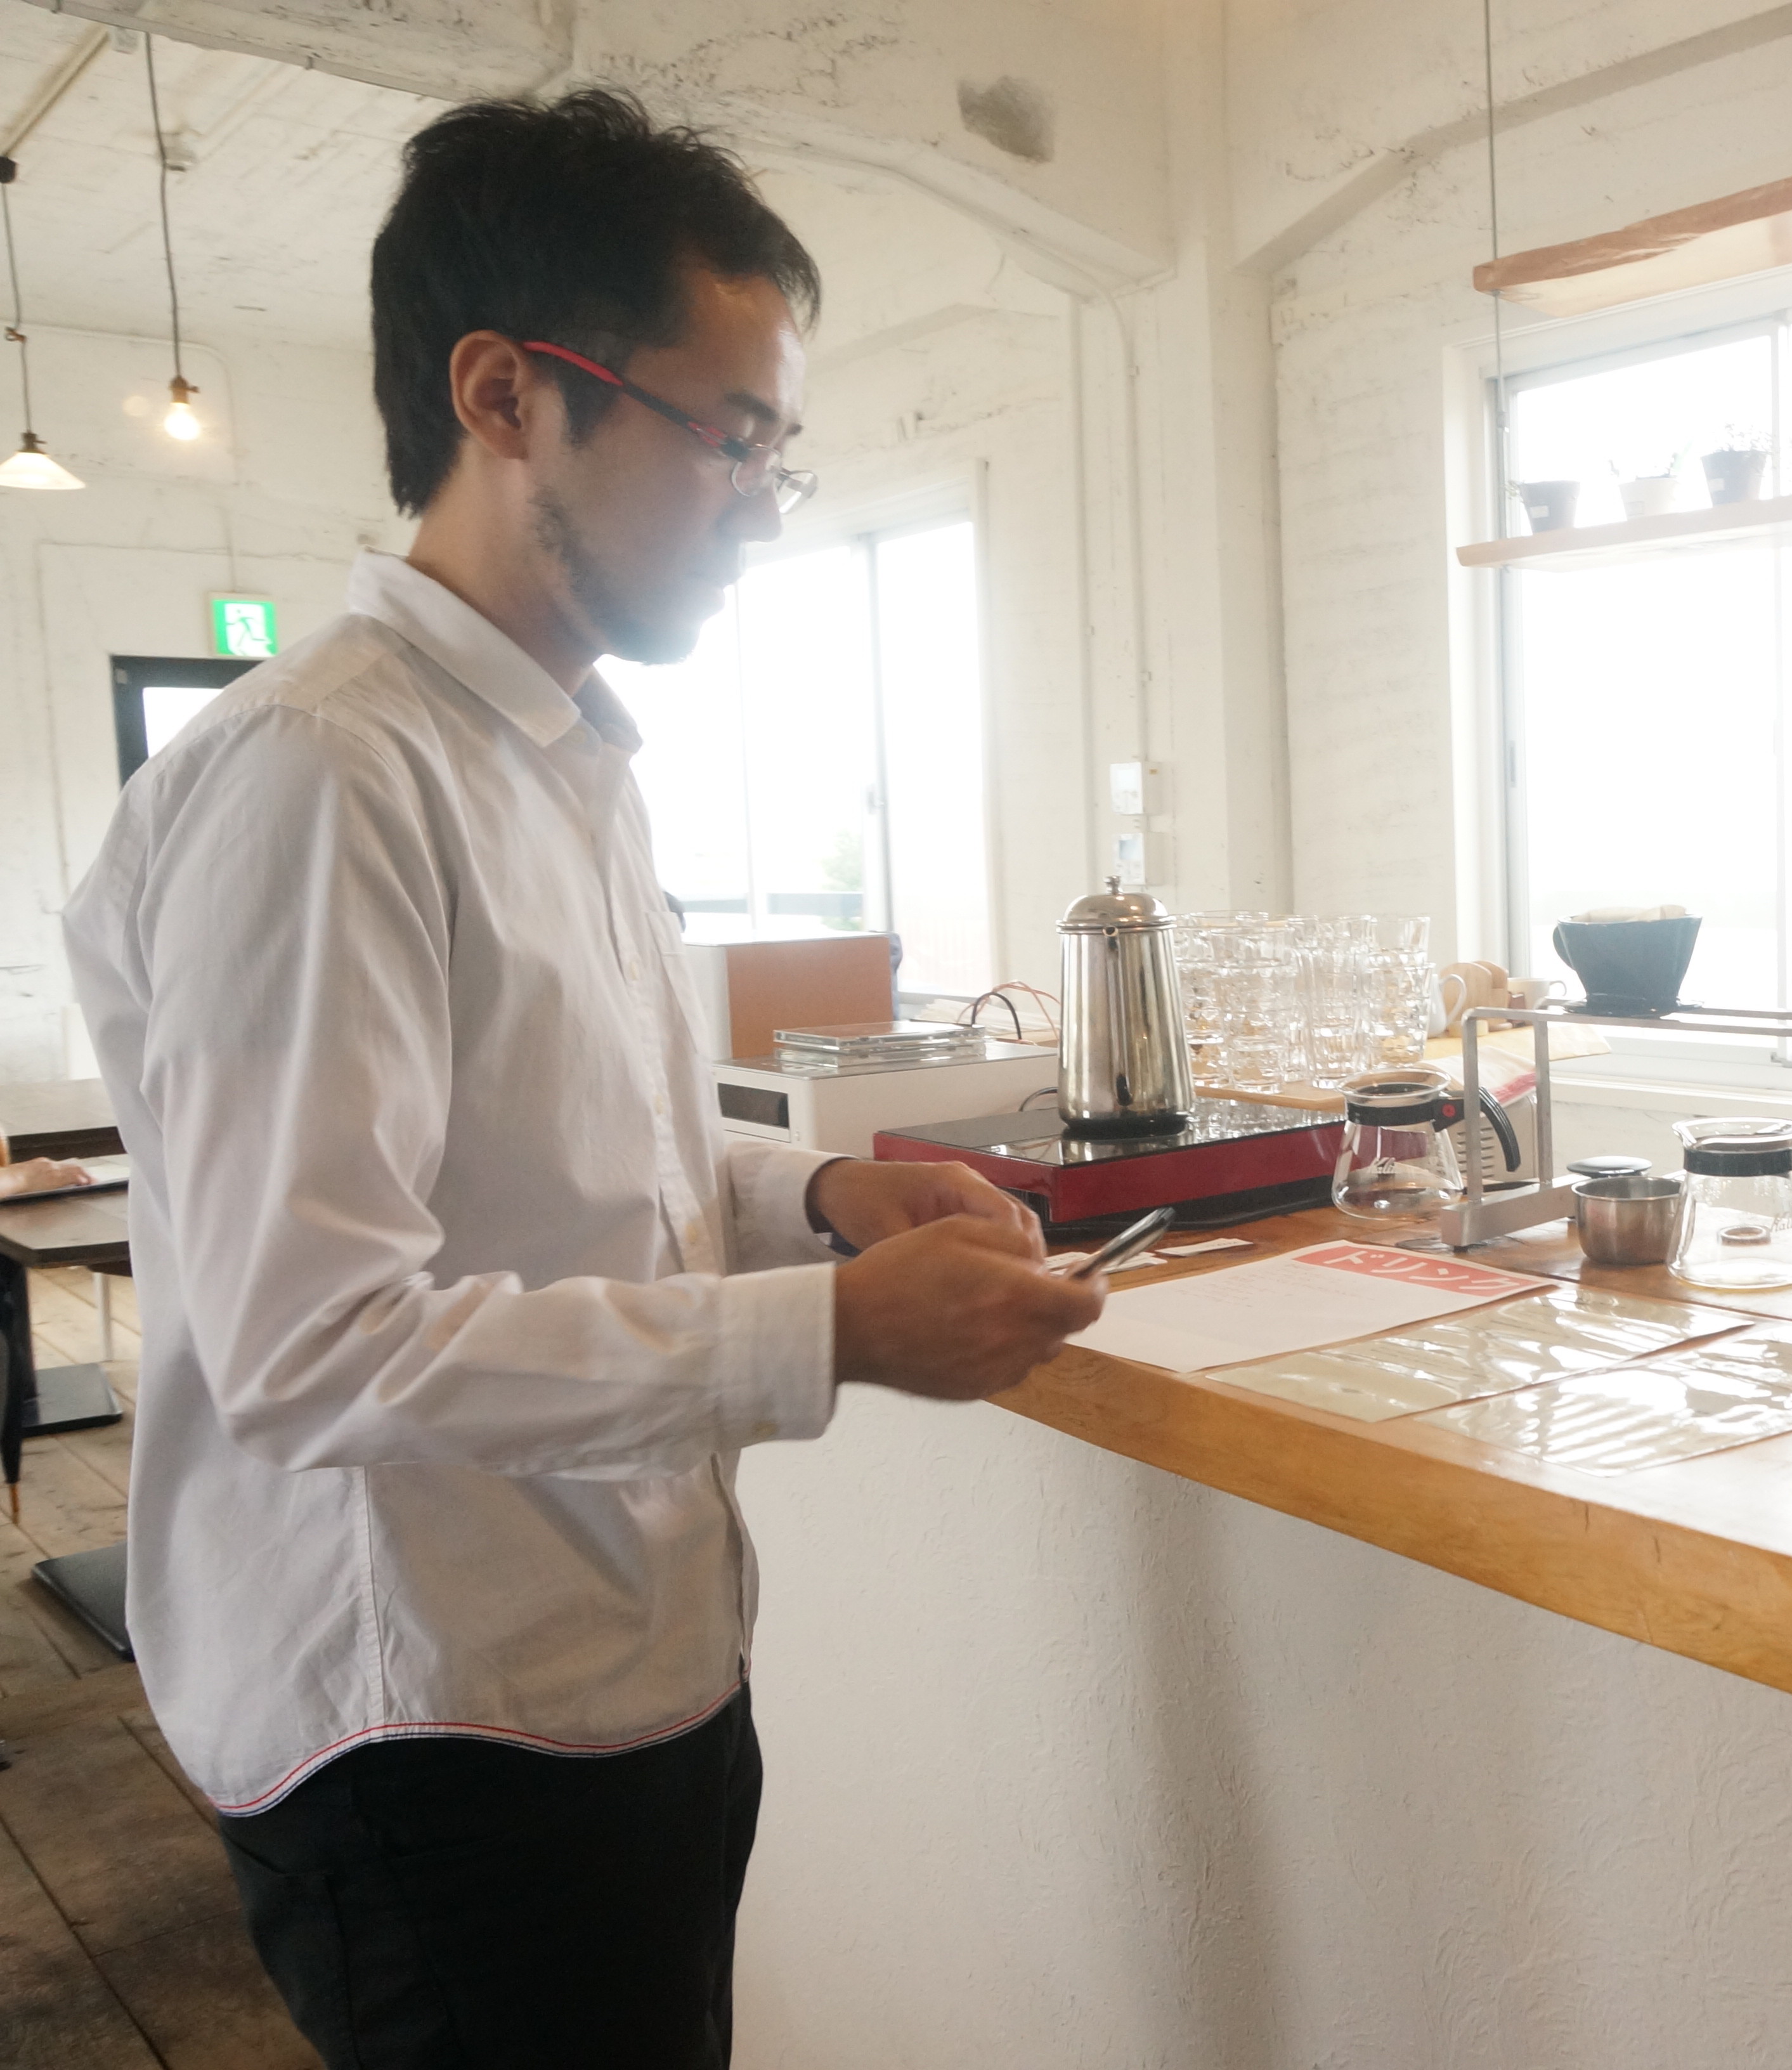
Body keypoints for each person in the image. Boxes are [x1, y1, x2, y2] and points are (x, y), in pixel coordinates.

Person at [61, 92, 1105, 2069]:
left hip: (623, 1655)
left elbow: (569, 1134)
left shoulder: (558, 755)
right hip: (434, 1725)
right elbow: (314, 1347)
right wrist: (832, 1330)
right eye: (731, 438)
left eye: (778, 452)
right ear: (506, 394)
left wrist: (814, 1194)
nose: (761, 505)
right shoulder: (323, 778)